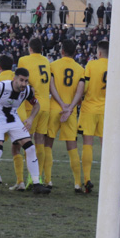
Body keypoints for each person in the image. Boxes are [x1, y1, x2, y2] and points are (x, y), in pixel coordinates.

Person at [0, 67, 49, 195]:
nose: (23, 84)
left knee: (30, 148)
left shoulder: (26, 90)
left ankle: (37, 184)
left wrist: (31, 118)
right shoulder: (1, 87)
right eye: (21, 80)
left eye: (26, 81)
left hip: (13, 119)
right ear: (14, 79)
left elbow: (37, 105)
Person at [48, 39, 87, 194]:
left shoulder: (53, 65)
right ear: (75, 53)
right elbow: (80, 91)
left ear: (62, 51)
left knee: (47, 144)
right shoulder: (80, 69)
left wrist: (61, 104)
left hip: (54, 108)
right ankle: (77, 183)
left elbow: (51, 85)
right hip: (70, 112)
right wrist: (70, 107)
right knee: (72, 146)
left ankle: (48, 180)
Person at [18, 38, 54, 187]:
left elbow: (21, 81)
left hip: (31, 105)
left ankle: (30, 178)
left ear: (30, 48)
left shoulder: (23, 60)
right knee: (40, 141)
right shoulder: (46, 61)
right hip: (45, 105)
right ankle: (38, 177)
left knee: (27, 141)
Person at [0, 54, 31, 191]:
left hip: (2, 118)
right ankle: (22, 181)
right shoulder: (17, 78)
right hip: (19, 116)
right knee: (19, 148)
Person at [77, 40, 109, 194]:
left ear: (99, 53)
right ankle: (109, 180)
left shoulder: (91, 64)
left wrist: (79, 98)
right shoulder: (114, 65)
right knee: (107, 146)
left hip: (89, 108)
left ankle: (87, 179)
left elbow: (86, 86)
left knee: (88, 144)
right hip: (107, 111)